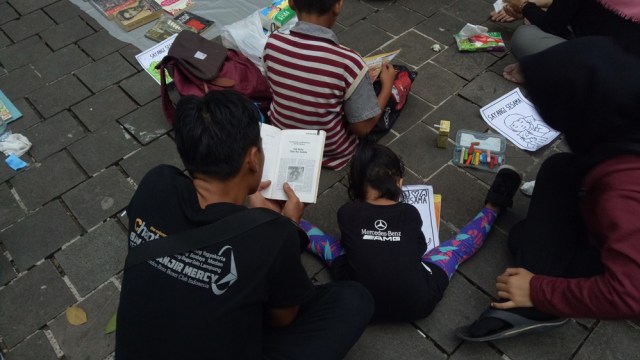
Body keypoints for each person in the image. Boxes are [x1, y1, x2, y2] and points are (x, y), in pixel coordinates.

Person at [115, 90, 374, 359]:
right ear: (252, 159)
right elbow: (282, 319)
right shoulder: (272, 234)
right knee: (353, 299)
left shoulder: (155, 184)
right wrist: (287, 226)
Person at [457, 37, 640, 342]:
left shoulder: (622, 188)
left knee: (522, 239)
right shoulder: (625, 111)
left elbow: (629, 294)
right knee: (558, 169)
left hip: (627, 280)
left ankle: (533, 310)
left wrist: (539, 291)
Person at [302, 141, 523, 321]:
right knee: (456, 249)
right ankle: (495, 205)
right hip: (417, 302)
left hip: (357, 303)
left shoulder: (347, 212)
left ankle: (291, 219)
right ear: (399, 184)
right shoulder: (409, 213)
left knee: (329, 246)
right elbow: (420, 249)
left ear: (356, 187)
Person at [263, 0, 396, 170]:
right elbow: (363, 128)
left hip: (283, 140)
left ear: (291, 3)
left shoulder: (273, 43)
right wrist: (388, 85)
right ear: (338, 5)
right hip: (330, 152)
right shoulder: (349, 62)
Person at [497, 0, 640, 82]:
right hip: (630, 78)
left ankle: (541, 70)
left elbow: (551, 25)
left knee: (525, 35)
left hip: (599, 72)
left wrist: (523, 6)